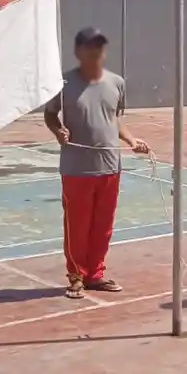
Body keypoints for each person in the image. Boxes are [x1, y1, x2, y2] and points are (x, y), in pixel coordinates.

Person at [43, 27, 150, 299]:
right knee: (77, 225)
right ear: (79, 52)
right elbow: (51, 115)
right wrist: (58, 131)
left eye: (100, 47)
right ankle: (76, 276)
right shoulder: (63, 84)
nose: (96, 52)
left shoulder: (116, 82)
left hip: (110, 166)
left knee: (103, 226)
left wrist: (131, 140)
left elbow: (113, 119)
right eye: (90, 47)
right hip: (77, 168)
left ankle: (95, 274)